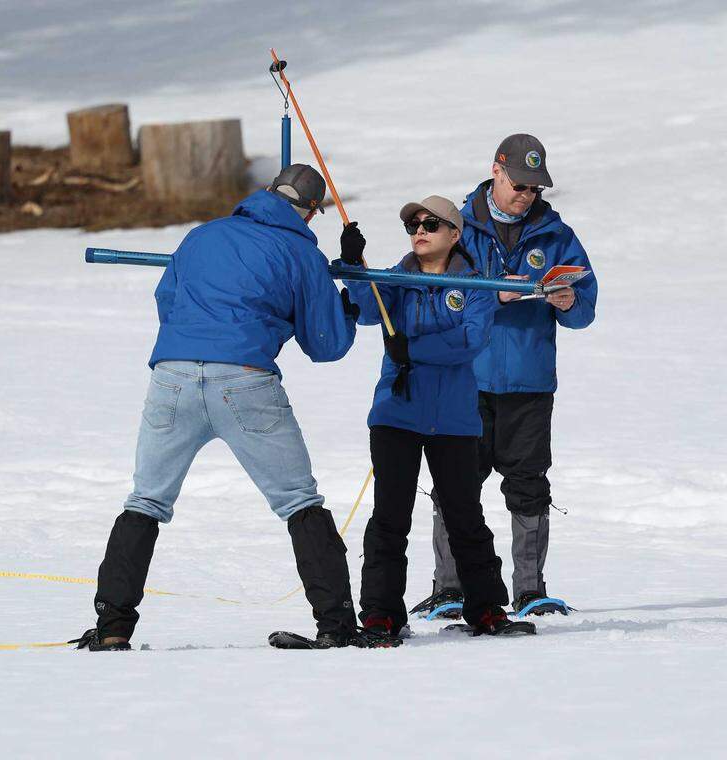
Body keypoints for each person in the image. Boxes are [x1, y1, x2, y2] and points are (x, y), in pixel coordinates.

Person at [74, 164, 382, 651]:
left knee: (146, 501)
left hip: (171, 375)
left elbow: (167, 299)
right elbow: (326, 346)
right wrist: (342, 301)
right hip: (244, 379)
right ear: (309, 212)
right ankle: (337, 624)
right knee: (298, 500)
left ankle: (112, 626)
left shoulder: (202, 235)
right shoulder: (302, 250)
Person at [412, 134, 598, 619]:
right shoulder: (456, 227)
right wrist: (491, 297)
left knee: (529, 485)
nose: (527, 195)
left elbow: (586, 311)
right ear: (496, 170)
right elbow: (431, 291)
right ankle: (449, 590)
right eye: (520, 184)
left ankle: (531, 591)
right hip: (464, 380)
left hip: (529, 383)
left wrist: (569, 301)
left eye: (536, 188)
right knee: (455, 485)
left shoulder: (557, 234)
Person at [341, 195, 533, 640]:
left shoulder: (476, 286)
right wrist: (353, 264)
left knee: (464, 515)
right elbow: (368, 310)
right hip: (396, 414)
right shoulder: (395, 278)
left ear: (454, 233)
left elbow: (469, 342)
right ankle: (381, 614)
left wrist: (414, 349)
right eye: (412, 225)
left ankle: (486, 609)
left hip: (453, 421)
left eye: (430, 223)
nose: (419, 230)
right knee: (391, 516)